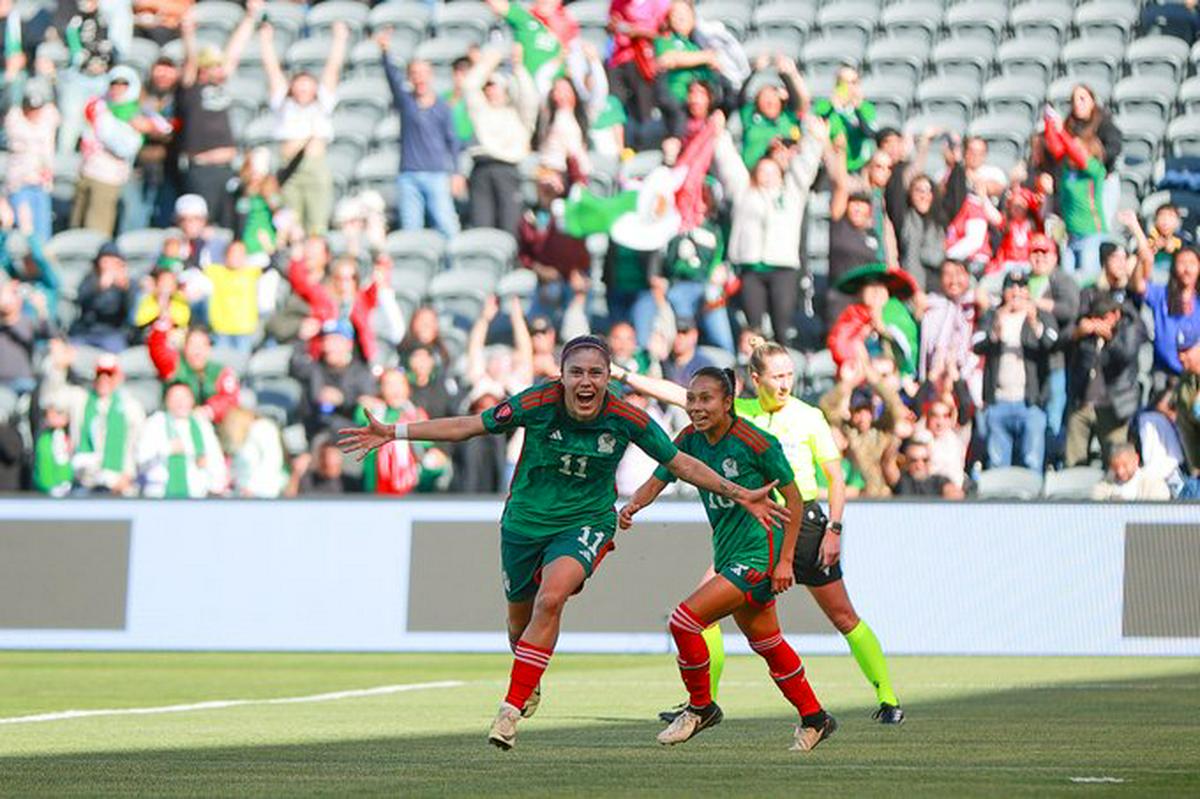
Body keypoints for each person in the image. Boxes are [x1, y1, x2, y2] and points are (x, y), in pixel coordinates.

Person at [338, 335, 786, 750]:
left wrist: (739, 492)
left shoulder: (627, 417)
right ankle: (529, 681)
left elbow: (682, 464)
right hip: (524, 523)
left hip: (586, 521)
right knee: (518, 625)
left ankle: (508, 713)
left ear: (608, 379)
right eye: (577, 372)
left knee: (551, 598)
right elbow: (470, 425)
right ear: (562, 376)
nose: (586, 381)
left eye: (596, 373)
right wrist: (394, 432)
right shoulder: (537, 401)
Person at [615, 336, 904, 724]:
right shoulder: (738, 412)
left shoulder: (807, 416)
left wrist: (835, 528)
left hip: (804, 526)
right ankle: (702, 703)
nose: (785, 384)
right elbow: (679, 394)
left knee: (841, 616)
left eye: (789, 375)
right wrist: (625, 375)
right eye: (777, 376)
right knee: (709, 612)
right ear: (754, 379)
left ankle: (887, 697)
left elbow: (834, 478)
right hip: (754, 525)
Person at [619, 367, 836, 751]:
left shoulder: (757, 442)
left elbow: (796, 499)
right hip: (729, 554)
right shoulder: (689, 439)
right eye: (691, 399)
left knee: (684, 622)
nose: (696, 407)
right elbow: (660, 477)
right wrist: (632, 505)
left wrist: (786, 561)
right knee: (768, 643)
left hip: (758, 555)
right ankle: (815, 718)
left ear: (727, 402)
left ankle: (701, 708)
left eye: (706, 399)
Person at [712, 110, 827, 343]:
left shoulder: (791, 193)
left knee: (782, 327)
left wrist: (815, 140)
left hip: (783, 268)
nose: (766, 175)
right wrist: (720, 135)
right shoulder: (745, 191)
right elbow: (729, 164)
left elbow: (805, 168)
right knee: (753, 328)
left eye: (771, 171)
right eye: (762, 171)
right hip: (751, 268)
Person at [260, 19, 349, 235]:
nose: (303, 88)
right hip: (288, 167)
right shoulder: (284, 103)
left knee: (316, 226)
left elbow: (333, 68)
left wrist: (340, 39)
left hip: (314, 165)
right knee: (290, 224)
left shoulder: (322, 103)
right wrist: (265, 41)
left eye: (307, 84)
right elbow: (272, 69)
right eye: (298, 83)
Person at [177, 2, 258, 229]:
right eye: (212, 66)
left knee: (229, 224)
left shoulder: (221, 86)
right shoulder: (191, 89)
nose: (218, 70)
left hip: (227, 168)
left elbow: (234, 52)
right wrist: (188, 33)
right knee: (204, 226)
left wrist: (250, 17)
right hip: (202, 170)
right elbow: (191, 60)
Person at [972, 271, 1059, 471]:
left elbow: (1051, 342)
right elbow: (976, 344)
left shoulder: (1040, 315)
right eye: (1011, 287)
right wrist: (995, 329)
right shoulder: (993, 315)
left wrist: (1034, 322)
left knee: (1032, 462)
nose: (1016, 292)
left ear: (1028, 292)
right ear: (1004, 291)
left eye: (1022, 287)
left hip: (1030, 402)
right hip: (999, 400)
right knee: (997, 464)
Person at [379, 32, 462, 239]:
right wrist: (384, 51)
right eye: (414, 73)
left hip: (436, 173)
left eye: (423, 72)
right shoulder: (407, 103)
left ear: (431, 75)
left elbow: (452, 141)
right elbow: (392, 77)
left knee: (446, 225)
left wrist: (456, 173)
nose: (419, 77)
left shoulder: (443, 107)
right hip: (409, 174)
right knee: (410, 228)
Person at [464, 46, 539, 234]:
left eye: (494, 86)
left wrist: (518, 67)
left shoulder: (517, 115)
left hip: (507, 169)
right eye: (487, 87)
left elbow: (530, 97)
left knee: (510, 226)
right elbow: (470, 85)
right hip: (481, 169)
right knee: (482, 227)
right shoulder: (481, 111)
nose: (490, 91)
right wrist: (487, 63)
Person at [1066, 293, 1146, 467]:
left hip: (1113, 407)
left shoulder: (1129, 329)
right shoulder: (1086, 334)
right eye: (1095, 317)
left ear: (1116, 315)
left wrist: (1111, 337)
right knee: (1074, 462)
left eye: (1103, 317)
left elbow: (1126, 355)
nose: (1098, 322)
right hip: (1083, 404)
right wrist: (1078, 332)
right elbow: (1057, 344)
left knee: (1114, 464)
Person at [1043, 105, 1108, 276]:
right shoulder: (1067, 170)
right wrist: (1049, 122)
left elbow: (1076, 154)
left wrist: (1062, 132)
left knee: (1088, 278)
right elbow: (1056, 148)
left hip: (1091, 234)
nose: (1072, 152)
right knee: (1069, 280)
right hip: (1070, 235)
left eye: (1079, 148)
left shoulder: (1095, 170)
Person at [136, 380, 227, 497]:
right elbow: (141, 459)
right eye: (175, 397)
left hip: (196, 497)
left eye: (184, 397)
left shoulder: (202, 425)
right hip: (159, 495)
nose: (180, 402)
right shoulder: (155, 423)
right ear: (166, 401)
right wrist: (167, 449)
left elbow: (216, 461)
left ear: (192, 400)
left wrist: (214, 482)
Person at [4, 78, 59, 242]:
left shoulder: (48, 116)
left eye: (37, 109)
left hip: (41, 184)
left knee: (43, 233)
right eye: (30, 109)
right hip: (20, 184)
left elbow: (53, 115)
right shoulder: (15, 120)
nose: (34, 113)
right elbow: (28, 135)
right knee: (25, 233)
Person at [737, 54, 808, 169]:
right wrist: (754, 71)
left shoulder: (789, 116)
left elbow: (796, 100)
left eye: (773, 96)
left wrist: (784, 74)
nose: (769, 101)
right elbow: (741, 97)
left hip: (785, 179)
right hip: (752, 177)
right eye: (764, 97)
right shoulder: (749, 116)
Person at [71, 242, 135, 353]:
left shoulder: (126, 283)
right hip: (87, 330)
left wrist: (126, 290)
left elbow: (131, 313)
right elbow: (80, 301)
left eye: (113, 260)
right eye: (105, 260)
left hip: (112, 332)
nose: (109, 264)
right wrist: (98, 287)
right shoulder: (90, 279)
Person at [812, 67, 876, 173]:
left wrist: (857, 110)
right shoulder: (824, 106)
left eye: (854, 82)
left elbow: (869, 135)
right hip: (830, 168)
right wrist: (832, 107)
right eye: (844, 82)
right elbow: (816, 131)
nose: (849, 87)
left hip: (857, 167)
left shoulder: (866, 108)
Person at [899, 175, 946, 291]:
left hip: (936, 290)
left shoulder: (939, 225)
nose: (924, 196)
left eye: (928, 191)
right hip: (910, 288)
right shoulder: (904, 219)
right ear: (910, 194)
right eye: (919, 190)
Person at [1090, 443, 1170, 501]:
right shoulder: (1105, 483)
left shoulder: (1154, 482)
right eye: (1115, 467)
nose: (1120, 472)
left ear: (1136, 459)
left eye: (1125, 466)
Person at [891, 436, 964, 499]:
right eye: (914, 460)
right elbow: (887, 462)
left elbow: (955, 495)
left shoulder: (939, 481)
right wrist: (896, 439)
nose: (919, 465)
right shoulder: (899, 479)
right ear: (906, 463)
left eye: (925, 460)